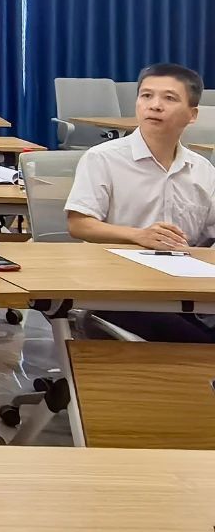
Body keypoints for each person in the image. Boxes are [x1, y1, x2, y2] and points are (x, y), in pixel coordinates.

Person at [66, 63, 215, 342]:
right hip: (119, 289)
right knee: (201, 345)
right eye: (146, 96)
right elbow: (79, 224)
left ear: (192, 114)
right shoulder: (102, 158)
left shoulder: (202, 169)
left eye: (169, 98)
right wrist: (138, 236)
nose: (154, 105)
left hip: (187, 288)